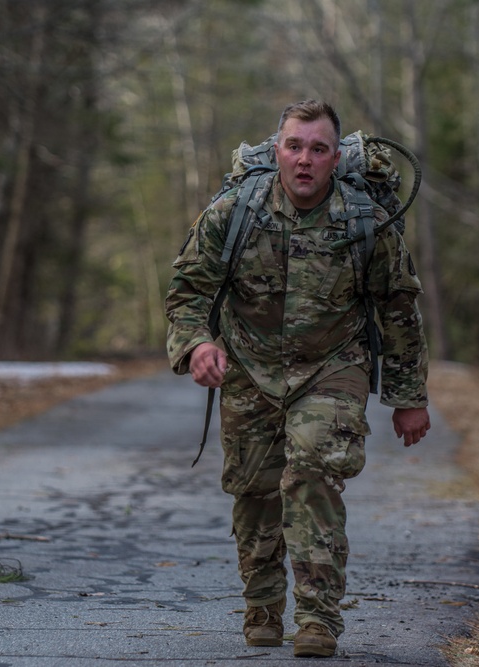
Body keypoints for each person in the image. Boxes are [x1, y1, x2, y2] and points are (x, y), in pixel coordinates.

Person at [164, 100, 430, 658]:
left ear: (335, 157)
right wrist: (198, 345)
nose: (304, 159)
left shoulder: (365, 223)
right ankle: (262, 608)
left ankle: (317, 619)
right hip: (249, 367)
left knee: (311, 470)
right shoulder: (234, 212)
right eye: (294, 146)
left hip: (334, 366)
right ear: (277, 150)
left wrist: (409, 398)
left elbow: (398, 310)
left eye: (317, 149)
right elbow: (188, 292)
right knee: (255, 490)